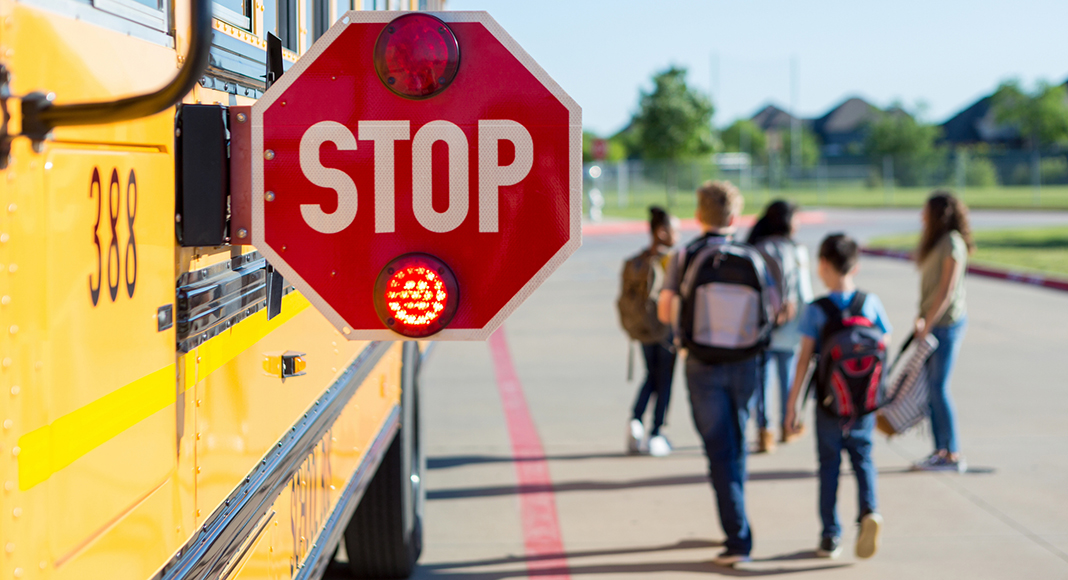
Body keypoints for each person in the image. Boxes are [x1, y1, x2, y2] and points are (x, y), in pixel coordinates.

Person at [657, 181, 767, 567]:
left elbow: (666, 308)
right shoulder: (751, 256)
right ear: (735, 218)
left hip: (702, 362)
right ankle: (737, 520)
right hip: (744, 360)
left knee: (719, 449)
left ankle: (738, 537)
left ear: (698, 215)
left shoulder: (685, 256)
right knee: (736, 443)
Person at [785, 233, 890, 560]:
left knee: (829, 466)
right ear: (855, 266)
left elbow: (804, 360)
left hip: (829, 403)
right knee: (863, 458)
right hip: (863, 404)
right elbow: (882, 346)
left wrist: (792, 406)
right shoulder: (870, 303)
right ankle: (869, 510)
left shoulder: (816, 310)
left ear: (823, 266)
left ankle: (830, 535)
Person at [911, 191, 973, 473]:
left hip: (946, 324)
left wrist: (929, 323)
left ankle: (952, 453)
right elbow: (930, 288)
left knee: (939, 387)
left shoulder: (952, 243)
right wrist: (921, 318)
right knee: (932, 389)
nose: (921, 216)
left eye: (925, 211)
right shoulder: (936, 242)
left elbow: (946, 292)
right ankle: (940, 450)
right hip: (933, 322)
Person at [747, 200, 813, 453]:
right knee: (788, 376)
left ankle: (765, 431)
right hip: (791, 325)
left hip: (762, 323)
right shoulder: (793, 249)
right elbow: (804, 292)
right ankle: (789, 425)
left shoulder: (756, 247)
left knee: (762, 379)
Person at [625, 206, 679, 457]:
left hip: (643, 329)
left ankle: (635, 420)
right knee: (664, 379)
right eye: (674, 230)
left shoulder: (638, 260)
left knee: (651, 375)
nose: (677, 235)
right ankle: (656, 432)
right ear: (662, 231)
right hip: (665, 329)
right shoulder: (670, 261)